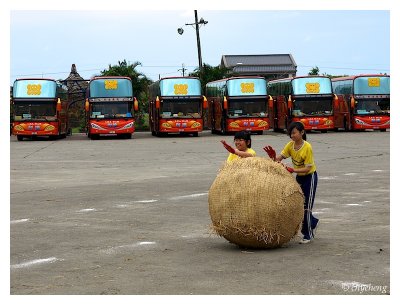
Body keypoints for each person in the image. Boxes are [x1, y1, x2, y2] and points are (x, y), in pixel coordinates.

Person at [264, 121, 318, 244]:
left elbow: (308, 168)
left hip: (310, 177)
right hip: (299, 177)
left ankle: (308, 234)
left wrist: (292, 170)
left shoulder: (307, 147)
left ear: (302, 132)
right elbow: (279, 159)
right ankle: (313, 222)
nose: (292, 136)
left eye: (294, 133)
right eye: (290, 133)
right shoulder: (290, 145)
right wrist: (273, 156)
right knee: (299, 205)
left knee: (306, 207)